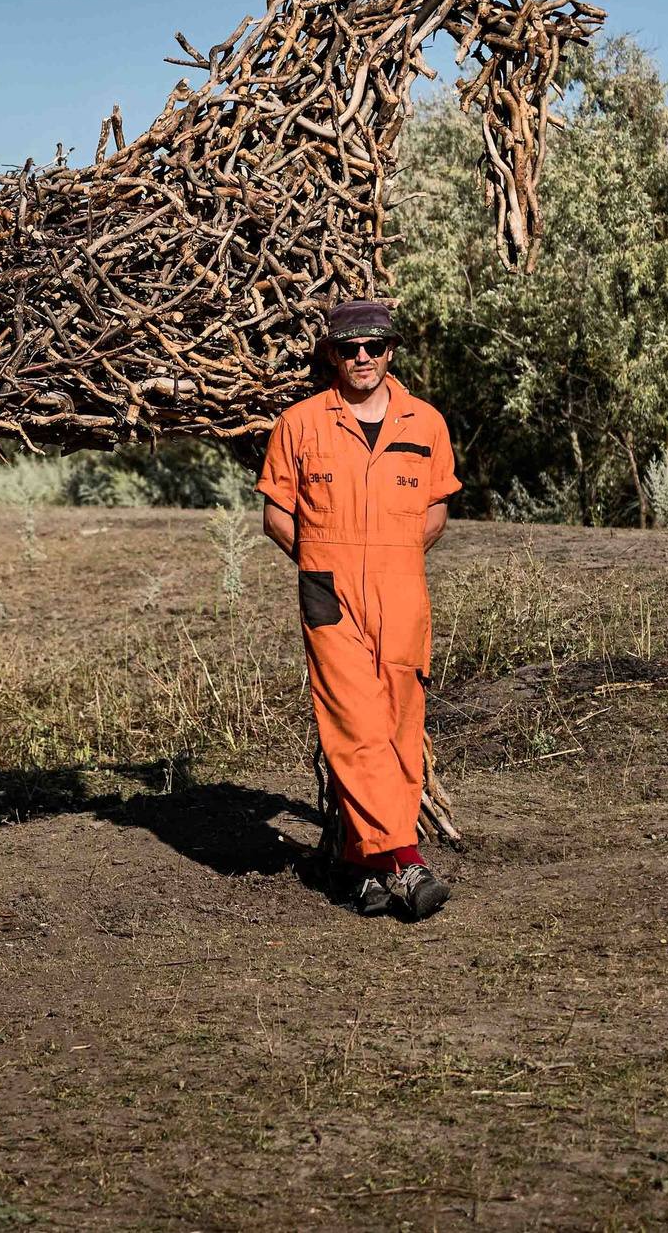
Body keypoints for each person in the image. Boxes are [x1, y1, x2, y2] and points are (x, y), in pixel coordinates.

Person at [257, 299, 460, 920]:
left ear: (391, 350)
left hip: (403, 587)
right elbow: (275, 515)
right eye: (349, 349)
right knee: (354, 725)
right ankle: (406, 856)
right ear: (332, 355)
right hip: (328, 589)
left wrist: (390, 556)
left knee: (401, 722)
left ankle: (364, 868)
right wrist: (325, 562)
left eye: (373, 347)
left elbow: (436, 511)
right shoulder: (300, 424)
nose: (362, 359)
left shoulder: (426, 423)